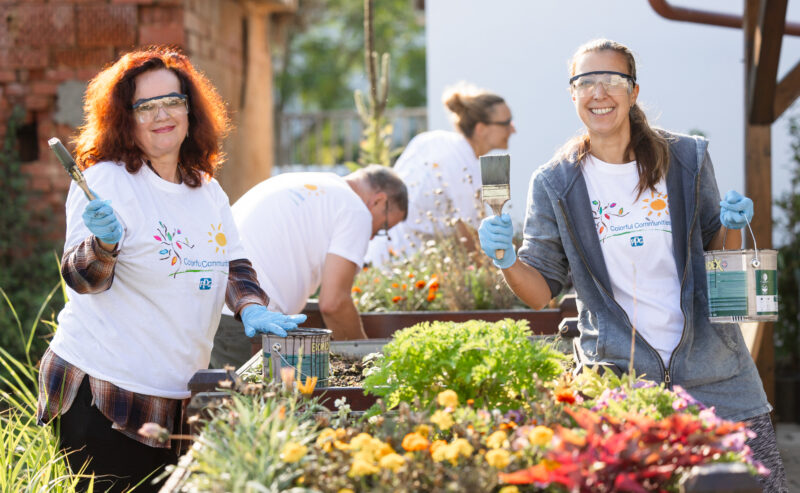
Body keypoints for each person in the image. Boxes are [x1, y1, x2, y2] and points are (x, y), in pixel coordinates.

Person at [478, 39, 787, 492]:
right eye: (585, 81)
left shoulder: (687, 159)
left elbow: (716, 252)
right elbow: (541, 287)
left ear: (633, 92)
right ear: (572, 94)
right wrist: (506, 259)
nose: (598, 92)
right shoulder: (555, 181)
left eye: (612, 80)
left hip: (717, 375)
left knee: (760, 488)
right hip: (622, 386)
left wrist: (731, 224)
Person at [36, 47, 305, 492]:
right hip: (105, 392)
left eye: (173, 101)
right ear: (125, 117)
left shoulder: (207, 189)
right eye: (146, 106)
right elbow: (83, 279)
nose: (163, 115)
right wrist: (104, 244)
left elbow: (234, 264)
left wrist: (251, 307)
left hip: (176, 394)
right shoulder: (106, 180)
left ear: (190, 109)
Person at [210, 166, 408, 368]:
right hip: (245, 319)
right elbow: (334, 304)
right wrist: (369, 362)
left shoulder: (311, 183)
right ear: (379, 200)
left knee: (207, 395)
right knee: (239, 398)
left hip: (211, 309)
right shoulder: (355, 209)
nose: (373, 237)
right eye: (384, 228)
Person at [365, 82, 515, 266]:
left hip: (376, 256)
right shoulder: (463, 165)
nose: (513, 129)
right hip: (406, 268)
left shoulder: (431, 140)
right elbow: (473, 238)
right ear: (481, 129)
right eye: (506, 123)